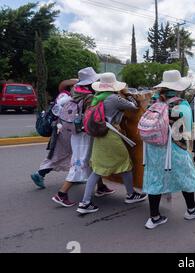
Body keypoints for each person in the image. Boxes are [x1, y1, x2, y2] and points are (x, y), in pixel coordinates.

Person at [142, 70, 195, 229]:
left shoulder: (153, 102)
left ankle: (154, 217)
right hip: (174, 147)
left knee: (155, 178)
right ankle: (191, 209)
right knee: (186, 175)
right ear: (178, 87)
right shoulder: (181, 104)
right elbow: (186, 128)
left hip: (153, 146)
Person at [77, 72, 147, 214]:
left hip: (99, 136)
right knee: (125, 163)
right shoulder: (113, 98)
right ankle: (130, 194)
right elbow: (133, 107)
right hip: (110, 136)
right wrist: (130, 95)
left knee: (97, 169)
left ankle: (85, 202)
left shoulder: (97, 98)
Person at [52, 67, 114, 207]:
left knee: (91, 159)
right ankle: (62, 194)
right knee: (80, 163)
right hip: (84, 135)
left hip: (75, 133)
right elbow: (93, 115)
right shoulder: (89, 97)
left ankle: (101, 186)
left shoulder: (76, 91)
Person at [30, 82, 76, 188]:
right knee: (60, 155)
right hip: (63, 130)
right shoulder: (65, 97)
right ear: (70, 87)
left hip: (63, 130)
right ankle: (40, 174)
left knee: (68, 154)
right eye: (75, 86)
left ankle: (75, 176)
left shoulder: (65, 96)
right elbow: (64, 113)